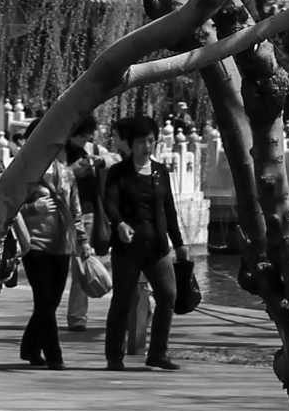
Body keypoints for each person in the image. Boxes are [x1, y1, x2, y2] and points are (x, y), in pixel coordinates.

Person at [101, 112, 185, 372]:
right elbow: (110, 203)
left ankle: (157, 353)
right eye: (141, 142)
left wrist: (179, 243)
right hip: (128, 248)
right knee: (122, 301)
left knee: (168, 295)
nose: (146, 147)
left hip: (157, 246)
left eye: (150, 141)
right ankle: (114, 355)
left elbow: (169, 209)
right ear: (131, 143)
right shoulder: (119, 172)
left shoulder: (160, 172)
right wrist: (120, 224)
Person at [13, 139, 84, 369]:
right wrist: (34, 208)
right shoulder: (24, 172)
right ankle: (54, 356)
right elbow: (8, 206)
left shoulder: (66, 174)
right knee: (44, 300)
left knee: (50, 303)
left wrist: (82, 240)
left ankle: (30, 347)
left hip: (62, 244)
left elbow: (75, 209)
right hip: (34, 245)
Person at [64, 119, 103, 333]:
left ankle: (78, 316)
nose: (87, 138)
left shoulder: (92, 150)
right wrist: (72, 172)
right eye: (84, 135)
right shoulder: (60, 151)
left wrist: (99, 162)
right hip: (64, 215)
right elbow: (54, 178)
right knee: (62, 266)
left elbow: (112, 160)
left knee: (81, 264)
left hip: (87, 213)